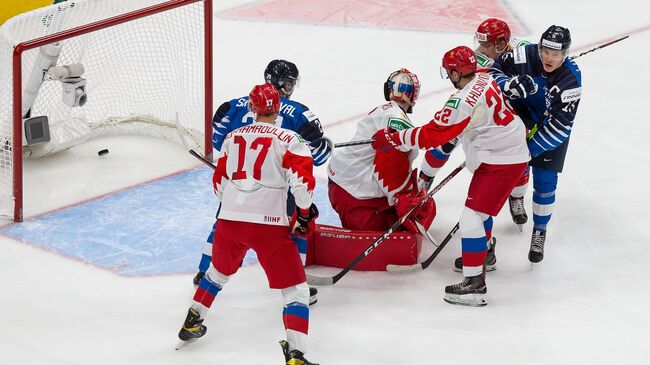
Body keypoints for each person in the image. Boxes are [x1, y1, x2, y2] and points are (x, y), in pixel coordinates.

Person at [371, 46, 530, 306]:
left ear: (457, 73)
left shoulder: (463, 101)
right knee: (481, 215)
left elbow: (434, 134)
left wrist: (394, 138)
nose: (448, 76)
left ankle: (474, 284)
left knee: (471, 219)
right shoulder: (485, 78)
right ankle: (484, 256)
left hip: (501, 160)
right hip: (507, 151)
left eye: (449, 72)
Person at [177, 83, 319, 365]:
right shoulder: (289, 139)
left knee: (216, 273)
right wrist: (303, 212)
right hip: (269, 226)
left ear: (253, 108)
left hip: (229, 221)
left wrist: (236, 203)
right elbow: (302, 182)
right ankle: (296, 354)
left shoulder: (232, 138)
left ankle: (193, 320)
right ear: (277, 107)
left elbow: (218, 184)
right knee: (296, 291)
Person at [194, 60, 331, 305]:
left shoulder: (232, 106)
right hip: (275, 188)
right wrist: (326, 146)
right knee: (298, 226)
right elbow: (318, 156)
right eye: (287, 82)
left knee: (224, 222)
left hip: (237, 183)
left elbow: (218, 141)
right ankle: (298, 282)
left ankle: (204, 272)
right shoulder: (299, 112)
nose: (289, 88)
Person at [423, 18, 531, 273]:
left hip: (508, 126)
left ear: (502, 43)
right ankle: (425, 179)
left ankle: (517, 198)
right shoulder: (479, 63)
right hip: (485, 116)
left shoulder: (522, 53)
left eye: (485, 46)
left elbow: (543, 66)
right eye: (478, 44)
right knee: (448, 139)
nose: (479, 51)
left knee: (508, 174)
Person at [489, 25, 582, 263]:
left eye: (556, 54)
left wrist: (528, 151)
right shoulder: (525, 55)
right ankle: (516, 198)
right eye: (546, 51)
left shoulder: (571, 81)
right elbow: (493, 70)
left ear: (565, 54)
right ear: (539, 48)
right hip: (521, 117)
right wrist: (508, 85)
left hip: (551, 126)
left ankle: (539, 231)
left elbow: (560, 127)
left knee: (545, 181)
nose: (549, 58)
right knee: (513, 171)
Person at [327, 68, 435, 235]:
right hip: (353, 192)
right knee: (397, 230)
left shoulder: (385, 110)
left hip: (344, 182)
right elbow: (390, 163)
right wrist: (404, 197)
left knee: (400, 215)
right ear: (413, 94)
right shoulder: (397, 117)